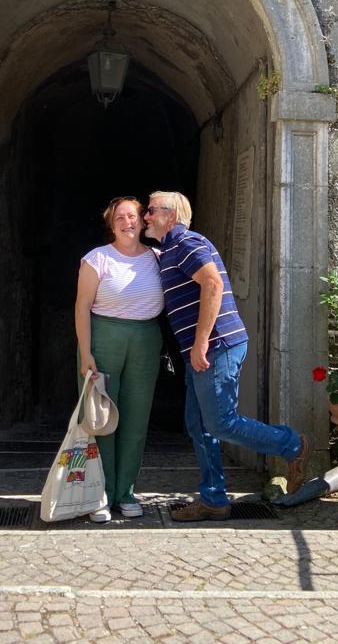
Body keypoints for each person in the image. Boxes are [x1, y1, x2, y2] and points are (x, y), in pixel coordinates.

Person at [143, 190, 311, 522]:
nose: (146, 216)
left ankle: (293, 445)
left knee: (221, 423)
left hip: (214, 346)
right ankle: (214, 500)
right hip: (201, 350)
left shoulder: (187, 243)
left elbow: (213, 285)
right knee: (199, 425)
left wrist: (201, 341)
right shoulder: (172, 249)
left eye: (151, 210)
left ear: (171, 215)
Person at [75, 196, 164, 523]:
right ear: (111, 225)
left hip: (145, 340)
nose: (128, 222)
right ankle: (99, 493)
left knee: (136, 419)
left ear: (143, 220)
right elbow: (82, 307)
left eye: (133, 216)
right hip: (104, 339)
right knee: (100, 419)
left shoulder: (157, 258)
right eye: (120, 218)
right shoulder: (97, 259)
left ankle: (125, 492)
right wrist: (86, 352)